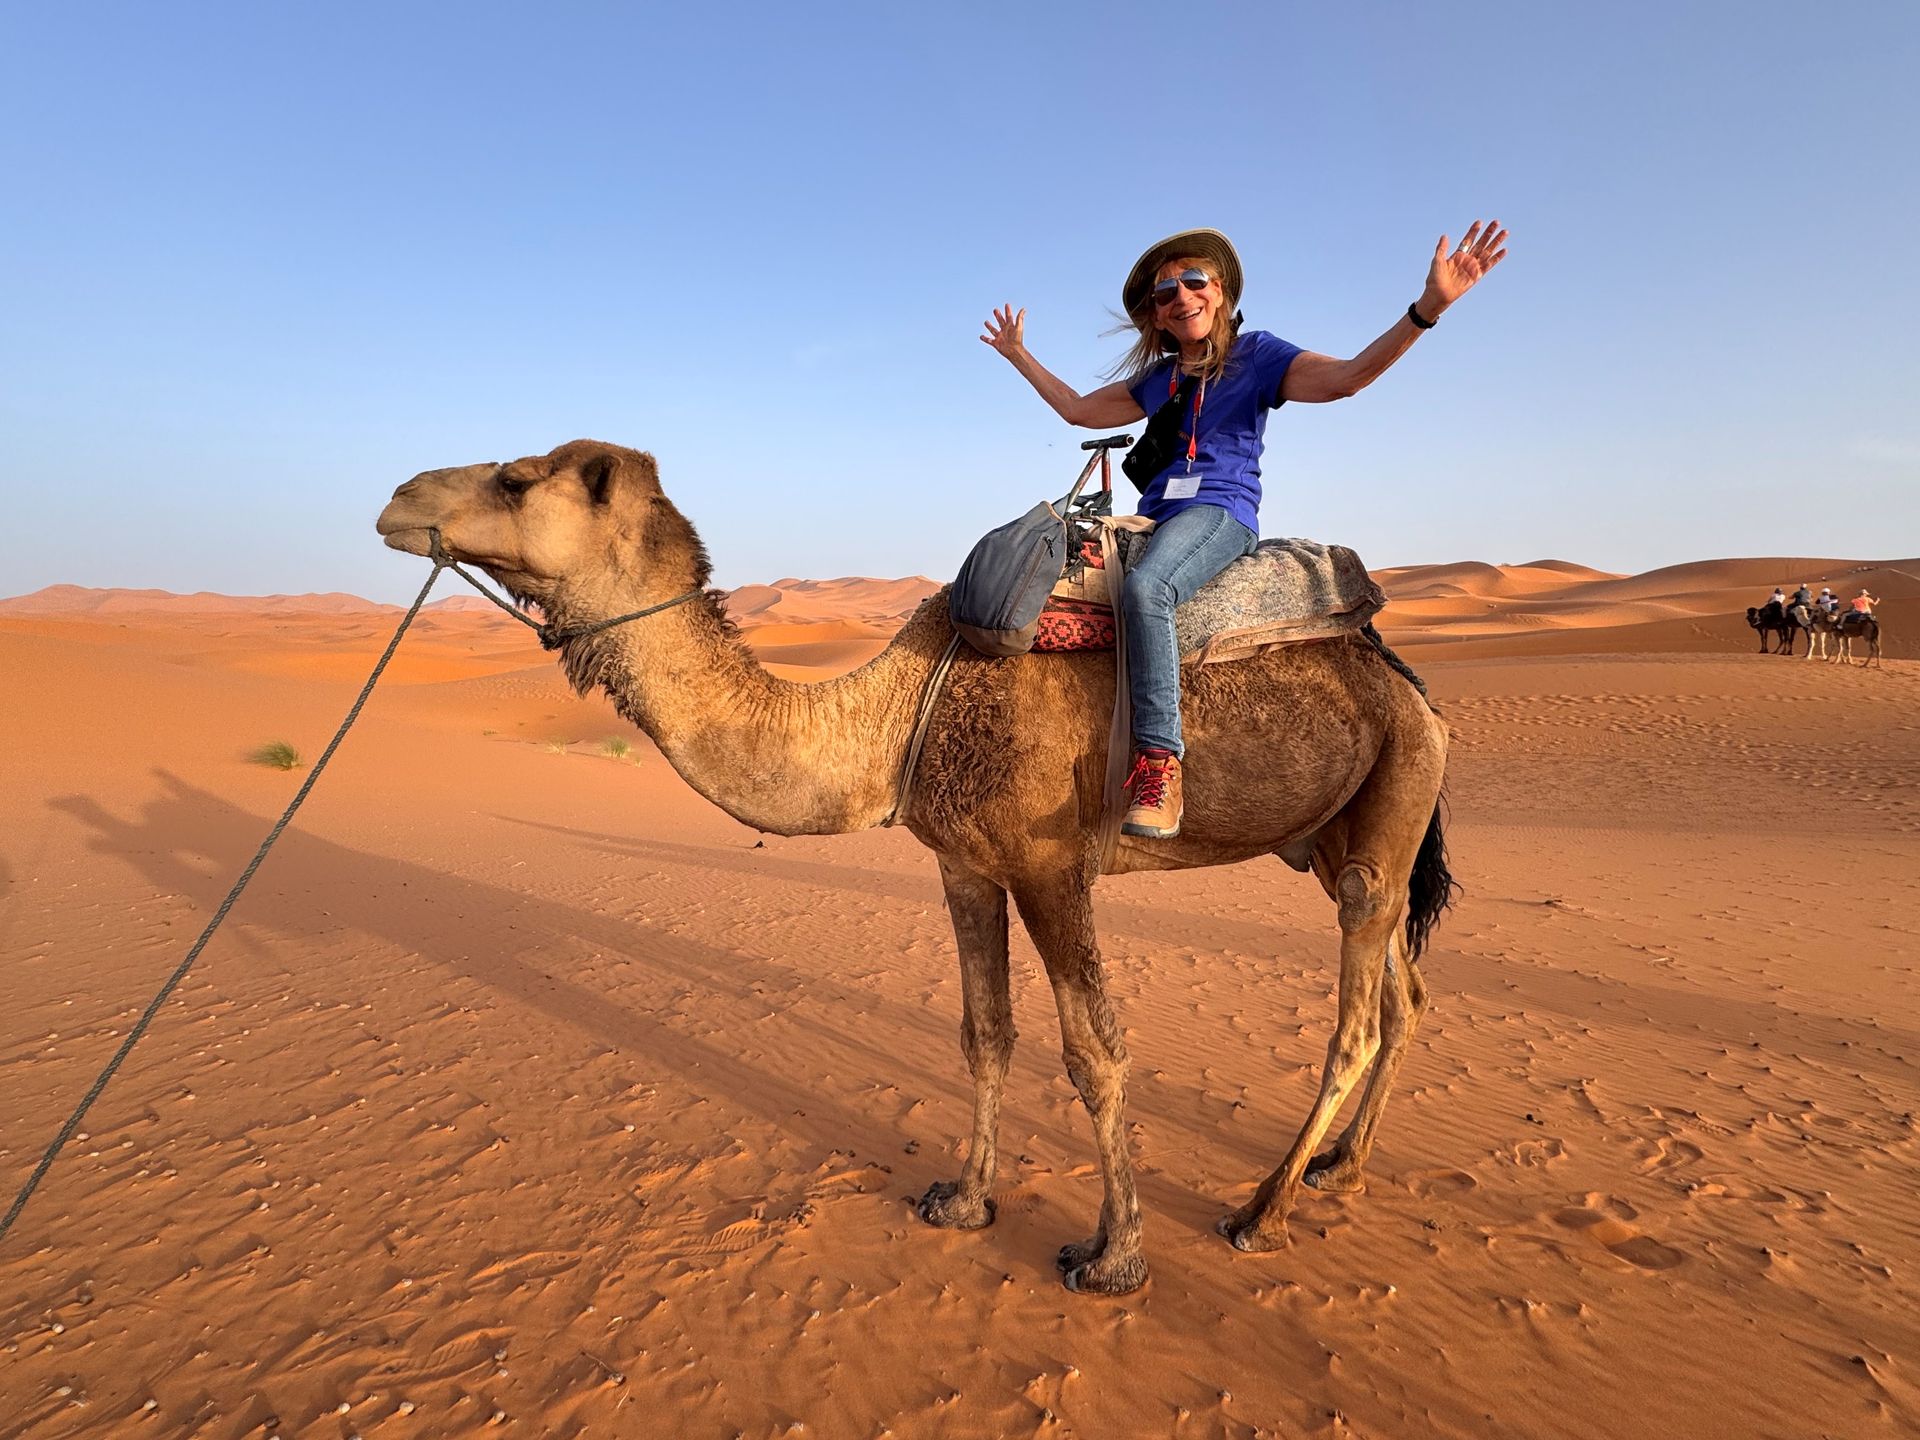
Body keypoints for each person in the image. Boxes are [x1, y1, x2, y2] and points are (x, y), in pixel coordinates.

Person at [982, 222, 1509, 837]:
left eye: (1194, 280)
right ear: (1156, 316)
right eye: (1165, 291)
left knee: (1147, 591)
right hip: (1151, 513)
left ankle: (1159, 762)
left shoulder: (1258, 356)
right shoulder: (1162, 379)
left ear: (1221, 291)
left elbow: (1347, 378)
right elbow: (1076, 410)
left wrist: (1426, 311)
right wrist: (1018, 354)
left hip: (1216, 512)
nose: (1180, 295)